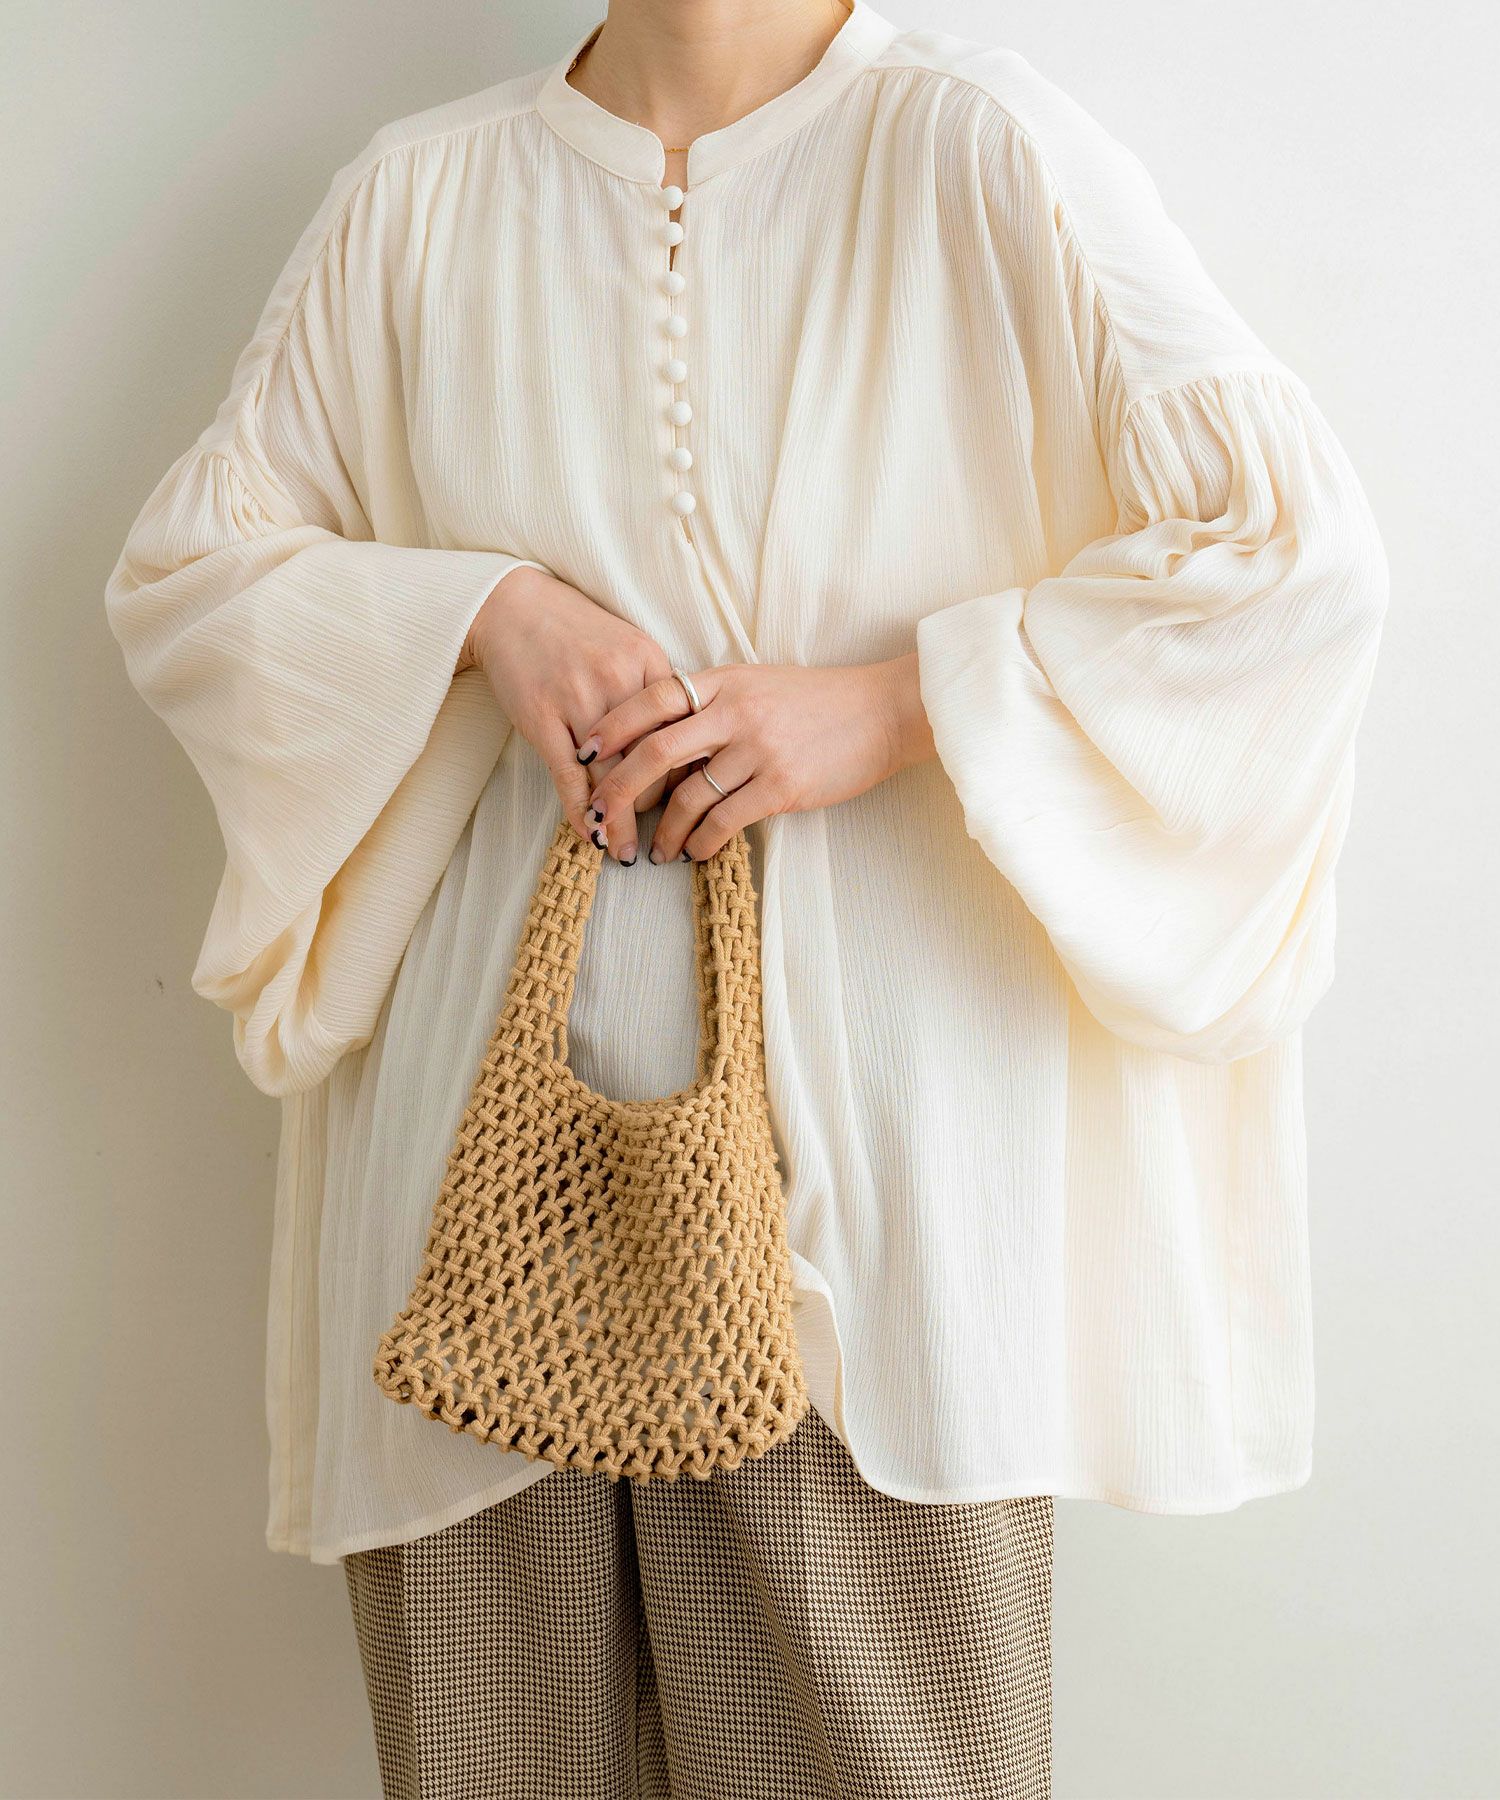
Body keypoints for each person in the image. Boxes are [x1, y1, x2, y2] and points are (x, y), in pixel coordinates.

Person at [103, 1, 1389, 1794]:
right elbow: (194, 575)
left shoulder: (974, 151)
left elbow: (1290, 563)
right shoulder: (419, 197)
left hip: (869, 1265)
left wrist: (899, 704)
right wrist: (479, 614)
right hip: (475, 1234)